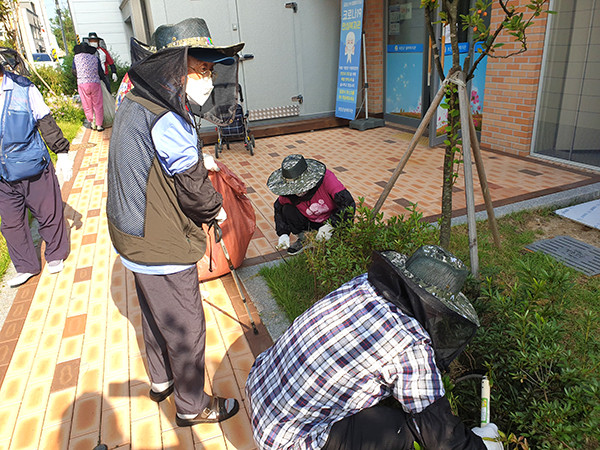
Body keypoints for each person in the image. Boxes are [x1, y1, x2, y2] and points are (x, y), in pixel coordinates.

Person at [106, 17, 244, 427]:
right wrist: (218, 210)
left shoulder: (135, 99)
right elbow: (195, 194)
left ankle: (162, 381)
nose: (206, 78)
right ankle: (190, 405)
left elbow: (155, 157)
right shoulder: (168, 118)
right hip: (157, 239)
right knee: (185, 324)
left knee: (153, 311)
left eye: (209, 70)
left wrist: (195, 160)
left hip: (128, 232)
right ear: (172, 69)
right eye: (199, 69)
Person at [245, 245, 503, 450]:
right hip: (288, 441)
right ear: (437, 307)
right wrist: (479, 443)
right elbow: (439, 434)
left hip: (258, 388)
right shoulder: (410, 344)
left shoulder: (362, 285)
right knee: (403, 430)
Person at [0, 60, 72, 288]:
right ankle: (25, 266)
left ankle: (55, 253)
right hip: (2, 174)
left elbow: (45, 120)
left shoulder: (23, 88)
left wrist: (62, 152)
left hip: (32, 165)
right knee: (11, 222)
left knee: (48, 211)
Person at [267, 154, 355, 255]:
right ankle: (305, 238)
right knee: (287, 209)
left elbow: (348, 204)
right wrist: (283, 233)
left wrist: (331, 225)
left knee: (335, 248)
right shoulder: (288, 193)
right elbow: (278, 208)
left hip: (331, 219)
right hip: (310, 221)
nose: (298, 192)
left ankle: (335, 236)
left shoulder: (327, 179)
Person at [72, 43, 104, 131]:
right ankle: (99, 125)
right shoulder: (95, 58)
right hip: (95, 83)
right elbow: (100, 71)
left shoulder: (76, 58)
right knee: (98, 104)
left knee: (87, 104)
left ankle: (92, 122)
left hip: (82, 84)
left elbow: (73, 71)